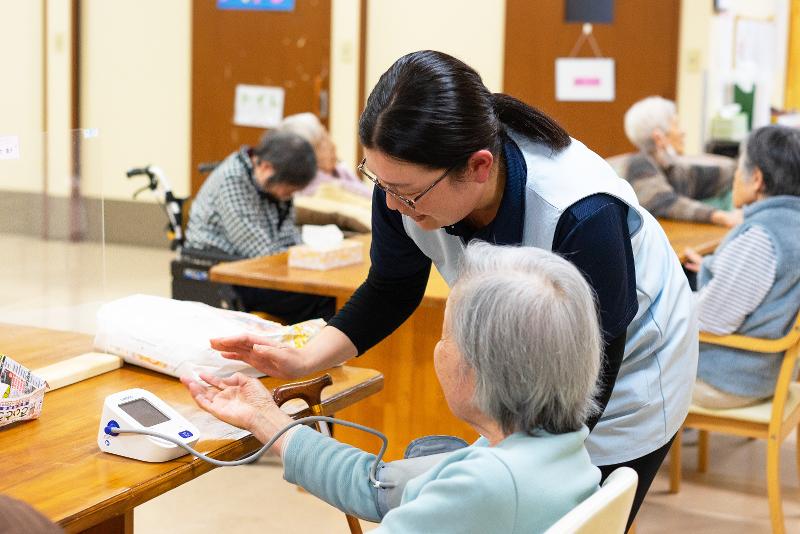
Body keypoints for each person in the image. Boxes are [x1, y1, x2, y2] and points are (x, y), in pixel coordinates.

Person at [209, 50, 697, 526]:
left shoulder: (579, 209)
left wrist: (505, 466)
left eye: (407, 193)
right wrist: (306, 358)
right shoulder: (403, 183)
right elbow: (392, 286)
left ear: (479, 167)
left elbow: (593, 375)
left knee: (573, 505)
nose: (394, 205)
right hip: (528, 390)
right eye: (380, 183)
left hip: (629, 366)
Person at [183, 243, 604, 533]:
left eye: (446, 337)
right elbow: (372, 484)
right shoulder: (555, 452)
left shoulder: (488, 484)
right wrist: (263, 415)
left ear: (482, 368)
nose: (440, 349)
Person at [684, 125, 800, 409]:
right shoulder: (790, 224)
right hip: (765, 372)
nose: (735, 176)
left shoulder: (761, 237)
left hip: (729, 379)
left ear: (757, 178)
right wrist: (714, 267)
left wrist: (664, 305)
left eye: (739, 168)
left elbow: (711, 319)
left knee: (628, 366)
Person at [185, 131, 335, 324]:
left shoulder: (270, 182)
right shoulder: (231, 181)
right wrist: (301, 262)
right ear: (266, 167)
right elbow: (261, 253)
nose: (289, 195)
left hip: (257, 266)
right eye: (288, 190)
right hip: (226, 270)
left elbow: (290, 239)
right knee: (321, 298)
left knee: (325, 289)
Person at [613, 96, 741, 227]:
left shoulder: (669, 167)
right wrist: (720, 217)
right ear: (659, 137)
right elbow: (665, 202)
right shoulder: (638, 165)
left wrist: (743, 168)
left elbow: (708, 177)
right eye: (676, 125)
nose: (683, 132)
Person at [278, 112, 373, 198]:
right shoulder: (314, 187)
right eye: (322, 142)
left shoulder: (341, 170)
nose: (332, 145)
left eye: (327, 136)